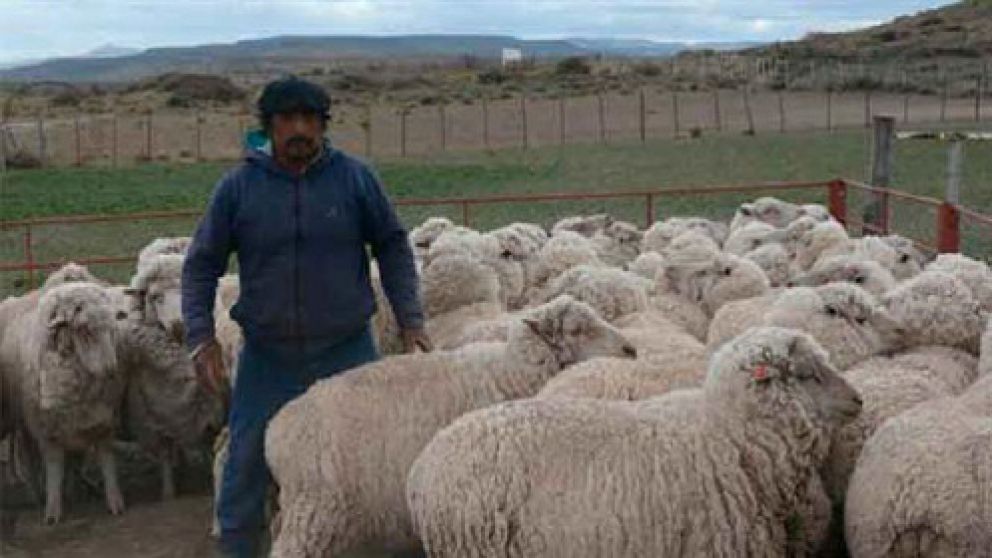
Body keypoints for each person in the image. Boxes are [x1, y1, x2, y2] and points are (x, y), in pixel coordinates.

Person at [181, 76, 431, 557]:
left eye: (310, 120)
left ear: (323, 126)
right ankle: (237, 548)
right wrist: (201, 337)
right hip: (268, 357)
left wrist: (412, 319)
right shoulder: (239, 188)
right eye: (287, 120)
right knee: (245, 464)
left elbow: (394, 246)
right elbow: (201, 264)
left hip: (347, 350)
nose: (300, 129)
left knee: (373, 460)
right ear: (268, 127)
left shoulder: (355, 179)